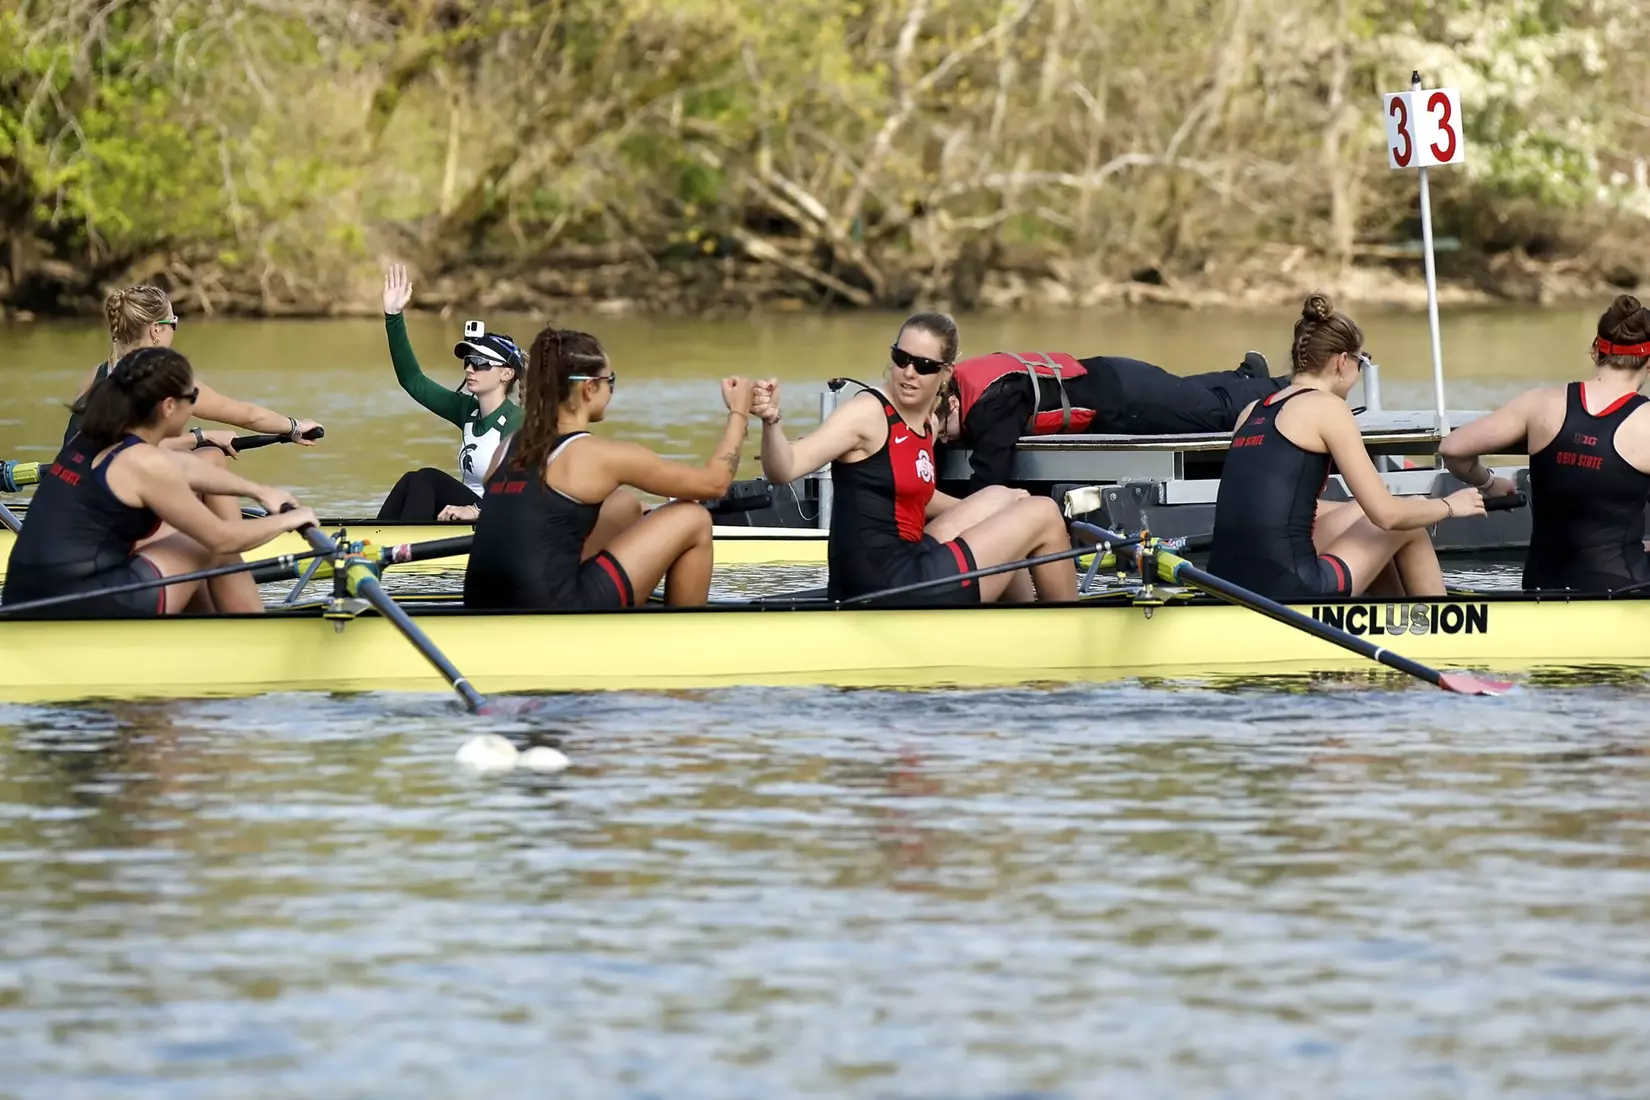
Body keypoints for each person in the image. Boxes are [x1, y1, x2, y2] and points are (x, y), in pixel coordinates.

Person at [752, 311, 1078, 605]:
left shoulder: (928, 424)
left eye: (923, 366)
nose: (909, 372)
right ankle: (1053, 626)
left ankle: (1017, 619)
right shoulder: (867, 414)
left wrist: (997, 513)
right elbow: (786, 469)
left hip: (907, 560)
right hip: (882, 583)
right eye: (901, 358)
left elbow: (911, 490)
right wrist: (771, 423)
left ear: (945, 373)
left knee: (1008, 499)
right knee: (1045, 512)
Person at [1206, 293, 1484, 599]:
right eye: (1360, 363)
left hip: (1225, 580)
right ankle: (1437, 631)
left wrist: (1410, 505)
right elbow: (1388, 516)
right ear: (1341, 361)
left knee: (1365, 512)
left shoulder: (1252, 411)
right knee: (1405, 527)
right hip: (1288, 586)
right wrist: (1448, 506)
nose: (1357, 376)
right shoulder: (1327, 408)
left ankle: (1384, 622)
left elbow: (1266, 504)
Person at [6, 348, 317, 618]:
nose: (194, 404)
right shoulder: (143, 462)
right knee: (205, 542)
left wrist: (257, 491)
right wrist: (292, 518)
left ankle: (211, 628)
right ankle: (250, 639)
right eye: (192, 398)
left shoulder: (93, 437)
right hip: (73, 604)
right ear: (168, 406)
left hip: (24, 597)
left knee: (190, 532)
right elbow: (223, 539)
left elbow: (183, 466)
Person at [463, 325, 749, 610]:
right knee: (693, 517)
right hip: (553, 607)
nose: (611, 388)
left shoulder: (506, 448)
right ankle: (683, 639)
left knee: (624, 505)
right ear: (589, 388)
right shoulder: (593, 454)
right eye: (610, 380)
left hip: (481, 601)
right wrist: (739, 412)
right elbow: (715, 483)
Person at [1440, 294, 1650, 592]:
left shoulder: (1539, 404)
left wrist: (1487, 482)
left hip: (1543, 584)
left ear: (1595, 350)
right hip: (1621, 589)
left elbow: (1452, 448)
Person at [936, 349, 1287, 491]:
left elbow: (989, 482)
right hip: (1109, 371)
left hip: (1123, 401)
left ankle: (1292, 386)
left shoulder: (990, 406)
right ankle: (1244, 376)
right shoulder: (972, 381)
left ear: (953, 402)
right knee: (1183, 391)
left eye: (941, 431)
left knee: (1215, 414)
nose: (944, 441)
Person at [65, 285, 324, 455]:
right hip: (112, 497)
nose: (175, 330)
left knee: (191, 452)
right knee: (209, 457)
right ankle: (224, 536)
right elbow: (247, 415)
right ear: (156, 329)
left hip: (74, 489)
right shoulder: (163, 377)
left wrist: (199, 438)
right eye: (173, 323)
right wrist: (294, 427)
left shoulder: (96, 374)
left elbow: (111, 448)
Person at [377, 265, 525, 522]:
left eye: (480, 363)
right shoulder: (467, 410)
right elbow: (413, 381)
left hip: (498, 516)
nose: (469, 368)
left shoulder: (517, 421)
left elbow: (523, 489)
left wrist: (477, 511)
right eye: (468, 361)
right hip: (471, 511)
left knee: (426, 479)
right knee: (412, 480)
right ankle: (375, 537)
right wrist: (393, 315)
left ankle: (403, 551)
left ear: (506, 374)